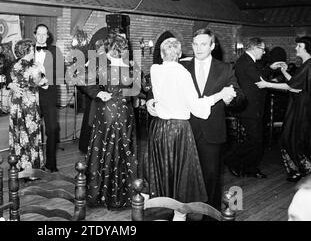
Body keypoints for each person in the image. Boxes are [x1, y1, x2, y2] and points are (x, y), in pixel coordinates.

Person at [145, 38, 236, 220]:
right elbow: (197, 107)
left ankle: (161, 213)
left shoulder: (155, 69)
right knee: (181, 176)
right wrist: (220, 95)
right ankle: (179, 215)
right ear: (180, 54)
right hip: (179, 130)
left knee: (163, 172)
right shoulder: (182, 72)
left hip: (160, 129)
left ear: (161, 54)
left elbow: (158, 90)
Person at [181, 28, 243, 210]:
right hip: (185, 130)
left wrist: (232, 99)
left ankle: (210, 215)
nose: (199, 48)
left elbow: (240, 96)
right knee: (185, 177)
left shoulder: (224, 68)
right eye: (196, 44)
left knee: (211, 178)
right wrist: (152, 99)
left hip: (212, 132)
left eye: (204, 44)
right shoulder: (182, 67)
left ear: (212, 46)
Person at [85, 34, 139, 210]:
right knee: (120, 147)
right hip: (116, 112)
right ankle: (121, 192)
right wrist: (97, 92)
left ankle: (102, 192)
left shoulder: (122, 66)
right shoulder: (126, 67)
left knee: (108, 148)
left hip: (116, 113)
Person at [256, 36, 311, 182]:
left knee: (292, 139)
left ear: (306, 49)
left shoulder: (309, 64)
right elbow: (295, 82)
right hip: (298, 106)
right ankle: (298, 170)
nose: (296, 48)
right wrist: (284, 71)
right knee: (291, 138)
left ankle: (302, 170)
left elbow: (292, 87)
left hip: (301, 108)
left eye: (299, 46)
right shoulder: (306, 64)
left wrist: (267, 84)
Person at [225, 38, 268, 178]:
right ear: (255, 48)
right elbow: (260, 79)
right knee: (254, 140)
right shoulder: (246, 62)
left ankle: (248, 167)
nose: (264, 51)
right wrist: (270, 69)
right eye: (262, 49)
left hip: (251, 107)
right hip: (249, 108)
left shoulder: (247, 61)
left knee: (255, 140)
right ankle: (232, 160)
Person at [8, 39, 47, 171]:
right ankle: (32, 169)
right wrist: (44, 79)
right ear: (28, 51)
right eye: (32, 49)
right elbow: (41, 82)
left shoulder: (15, 65)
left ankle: (19, 166)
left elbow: (14, 80)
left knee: (18, 134)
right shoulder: (33, 67)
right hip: (28, 104)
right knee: (31, 134)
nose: (34, 52)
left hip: (16, 105)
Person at [34, 24, 61, 173]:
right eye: (39, 34)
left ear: (48, 36)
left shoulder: (55, 51)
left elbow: (60, 73)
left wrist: (46, 72)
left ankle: (51, 164)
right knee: (31, 130)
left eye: (44, 34)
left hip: (49, 94)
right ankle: (33, 164)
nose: (42, 37)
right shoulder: (28, 50)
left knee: (52, 129)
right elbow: (14, 68)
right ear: (34, 35)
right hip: (31, 95)